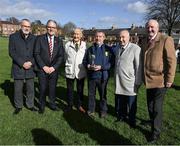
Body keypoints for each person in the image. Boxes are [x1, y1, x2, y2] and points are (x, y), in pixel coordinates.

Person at [143, 19, 176, 142]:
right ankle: (153, 123)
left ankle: (155, 132)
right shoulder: (146, 40)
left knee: (156, 108)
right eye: (148, 27)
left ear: (158, 28)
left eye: (152, 27)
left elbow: (172, 61)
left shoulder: (166, 39)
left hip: (160, 81)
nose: (150, 29)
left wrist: (170, 78)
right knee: (150, 106)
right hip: (148, 80)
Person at [111, 30, 142, 128]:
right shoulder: (117, 48)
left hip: (130, 81)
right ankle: (121, 116)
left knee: (131, 102)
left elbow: (138, 66)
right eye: (119, 37)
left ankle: (132, 120)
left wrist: (138, 81)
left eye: (123, 37)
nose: (121, 39)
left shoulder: (135, 48)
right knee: (121, 100)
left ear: (129, 38)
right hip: (119, 80)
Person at [34, 20, 64, 114]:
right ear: (46, 27)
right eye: (49, 27)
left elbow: (61, 56)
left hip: (53, 70)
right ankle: (41, 106)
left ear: (56, 29)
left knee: (52, 89)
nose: (51, 29)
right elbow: (36, 53)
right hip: (42, 69)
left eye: (53, 27)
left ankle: (52, 104)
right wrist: (43, 66)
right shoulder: (39, 39)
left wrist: (54, 67)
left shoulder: (59, 41)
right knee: (42, 88)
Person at [9, 19, 37, 114]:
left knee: (30, 88)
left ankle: (30, 105)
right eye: (25, 26)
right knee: (18, 89)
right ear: (21, 26)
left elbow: (37, 53)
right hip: (18, 67)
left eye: (28, 26)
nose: (27, 28)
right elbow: (12, 52)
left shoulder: (34, 38)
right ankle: (18, 106)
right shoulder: (13, 37)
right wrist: (22, 63)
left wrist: (31, 62)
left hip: (30, 67)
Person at [83, 31, 112, 118]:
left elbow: (112, 63)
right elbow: (84, 61)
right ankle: (91, 110)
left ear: (104, 38)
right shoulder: (90, 49)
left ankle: (103, 111)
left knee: (103, 95)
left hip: (102, 77)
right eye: (96, 36)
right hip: (92, 76)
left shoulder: (108, 49)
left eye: (100, 36)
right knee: (91, 94)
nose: (98, 38)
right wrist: (88, 65)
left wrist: (102, 67)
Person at [64, 28, 87, 113]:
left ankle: (79, 105)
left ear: (81, 36)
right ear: (72, 35)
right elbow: (65, 57)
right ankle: (69, 105)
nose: (76, 35)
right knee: (69, 90)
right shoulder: (67, 45)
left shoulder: (84, 45)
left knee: (80, 90)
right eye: (74, 34)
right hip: (70, 70)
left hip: (80, 71)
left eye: (78, 34)